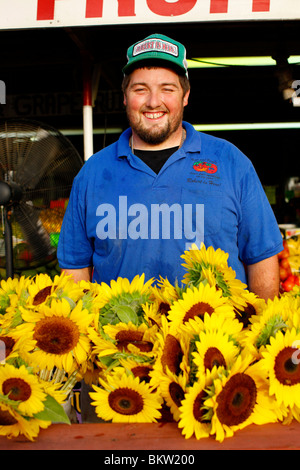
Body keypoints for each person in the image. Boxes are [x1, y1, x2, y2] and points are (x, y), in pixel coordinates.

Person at [57, 33, 282, 302]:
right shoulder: (92, 174)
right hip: (119, 340)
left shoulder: (231, 162)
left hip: (218, 338)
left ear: (185, 96)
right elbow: (75, 268)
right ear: (125, 97)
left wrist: (258, 333)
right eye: (140, 89)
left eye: (167, 89)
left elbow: (262, 259)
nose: (153, 101)